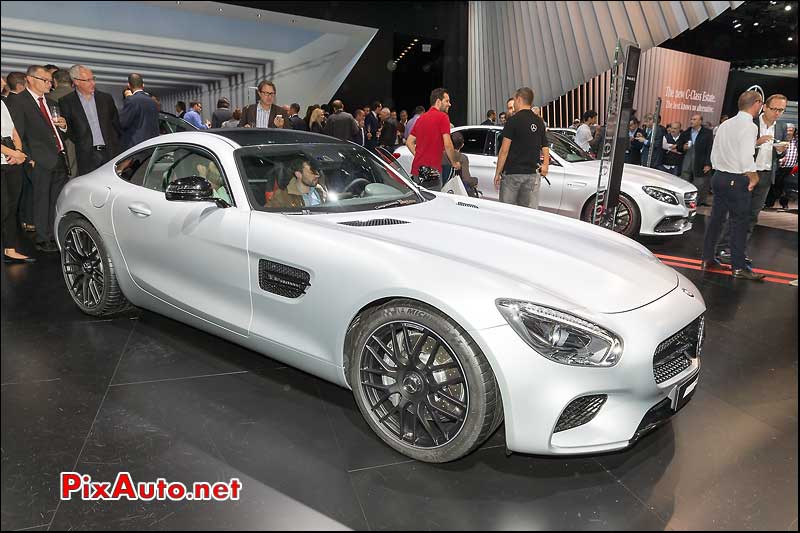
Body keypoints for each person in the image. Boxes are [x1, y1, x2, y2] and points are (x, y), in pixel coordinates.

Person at [716, 94, 789, 265]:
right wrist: (757, 142)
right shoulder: (750, 124)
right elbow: (736, 147)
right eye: (774, 109)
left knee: (752, 216)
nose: (777, 113)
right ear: (764, 107)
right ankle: (723, 248)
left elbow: (780, 153)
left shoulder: (782, 127)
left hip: (765, 176)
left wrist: (780, 151)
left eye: (781, 110)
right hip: (746, 174)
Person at [702, 90, 765, 281]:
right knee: (739, 223)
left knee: (716, 220)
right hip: (736, 179)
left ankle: (707, 258)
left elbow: (715, 152)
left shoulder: (725, 124)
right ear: (757, 103)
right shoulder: (750, 126)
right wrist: (753, 177)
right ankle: (739, 267)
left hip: (719, 177)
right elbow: (746, 155)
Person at [5, 65, 69, 252]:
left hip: (58, 157)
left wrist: (64, 127)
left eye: (50, 80)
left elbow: (55, 132)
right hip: (39, 160)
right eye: (45, 80)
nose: (49, 84)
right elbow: (17, 133)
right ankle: (43, 239)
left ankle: (52, 235)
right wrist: (29, 159)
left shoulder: (50, 102)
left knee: (55, 201)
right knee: (41, 201)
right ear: (30, 79)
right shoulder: (18, 101)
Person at [58, 65, 122, 175]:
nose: (93, 83)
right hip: (86, 155)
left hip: (110, 152)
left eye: (93, 78)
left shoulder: (106, 98)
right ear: (76, 81)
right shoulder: (66, 102)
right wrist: (65, 129)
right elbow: (70, 131)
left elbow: (116, 125)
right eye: (88, 80)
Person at [493, 87, 549, 209]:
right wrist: (545, 165)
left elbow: (504, 150)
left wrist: (497, 172)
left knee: (508, 213)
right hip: (532, 176)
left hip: (512, 175)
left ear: (518, 99)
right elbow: (545, 145)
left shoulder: (512, 121)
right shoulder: (539, 121)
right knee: (529, 214)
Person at [405, 88, 461, 191]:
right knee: (433, 204)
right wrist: (454, 162)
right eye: (447, 101)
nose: (450, 104)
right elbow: (448, 144)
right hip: (432, 173)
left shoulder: (421, 118)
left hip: (417, 170)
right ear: (439, 101)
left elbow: (409, 142)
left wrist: (419, 155)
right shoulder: (443, 117)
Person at [1, 95, 35, 263]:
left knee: (12, 207)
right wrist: (15, 153)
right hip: (8, 156)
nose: (2, 81)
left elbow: (13, 130)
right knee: (4, 207)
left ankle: (10, 249)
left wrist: (19, 150)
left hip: (12, 159)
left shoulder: (2, 102)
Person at [676, 113, 714, 205]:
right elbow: (679, 146)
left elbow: (710, 149)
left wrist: (708, 164)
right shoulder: (686, 132)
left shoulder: (707, 133)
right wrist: (682, 147)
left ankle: (698, 202)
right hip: (687, 159)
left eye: (694, 119)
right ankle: (683, 201)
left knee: (700, 182)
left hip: (700, 161)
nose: (692, 121)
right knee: (684, 180)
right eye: (691, 119)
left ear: (700, 121)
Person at [119, 73, 159, 150]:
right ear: (143, 85)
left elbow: (122, 123)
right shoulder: (152, 101)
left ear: (129, 85)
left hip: (136, 146)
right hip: (152, 144)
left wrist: (128, 98)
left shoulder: (131, 100)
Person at [767, 124, 796, 209]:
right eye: (787, 130)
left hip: (791, 168)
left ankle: (784, 204)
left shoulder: (795, 141)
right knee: (774, 185)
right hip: (779, 168)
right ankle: (769, 203)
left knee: (786, 187)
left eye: (791, 130)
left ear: (794, 131)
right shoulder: (781, 140)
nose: (789, 132)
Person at [441, 131, 478, 196]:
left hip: (440, 188)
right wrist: (475, 180)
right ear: (462, 145)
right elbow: (466, 180)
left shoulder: (441, 155)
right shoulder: (463, 158)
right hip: (455, 191)